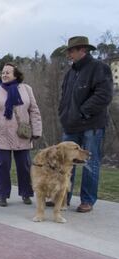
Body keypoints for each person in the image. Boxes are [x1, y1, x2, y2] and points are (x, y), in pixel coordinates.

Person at [58, 36, 113, 213]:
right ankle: (63, 198)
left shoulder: (99, 68)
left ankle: (87, 200)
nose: (69, 54)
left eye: (71, 51)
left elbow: (104, 95)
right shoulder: (71, 72)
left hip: (91, 125)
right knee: (65, 162)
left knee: (90, 162)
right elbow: (65, 97)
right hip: (70, 125)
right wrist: (64, 114)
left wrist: (83, 111)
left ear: (83, 50)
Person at [0, 63, 42, 207]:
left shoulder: (27, 89)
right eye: (3, 72)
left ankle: (26, 194)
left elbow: (34, 111)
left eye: (8, 72)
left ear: (16, 75)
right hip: (1, 135)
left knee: (25, 166)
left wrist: (36, 130)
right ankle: (2, 195)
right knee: (2, 166)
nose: (4, 75)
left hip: (22, 134)